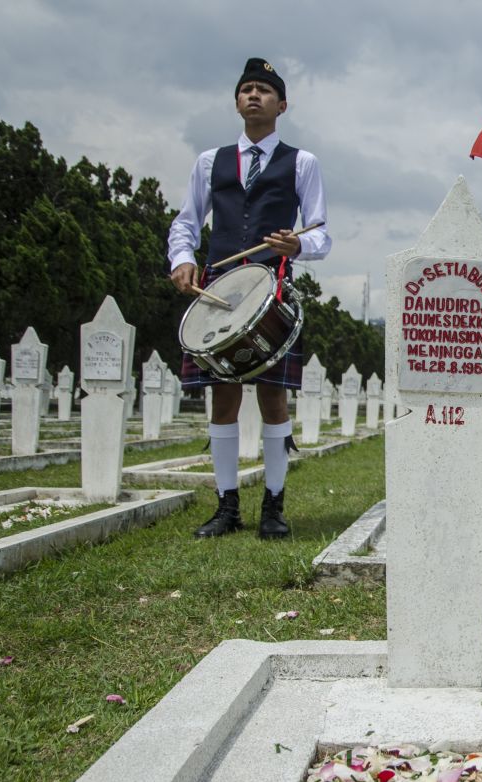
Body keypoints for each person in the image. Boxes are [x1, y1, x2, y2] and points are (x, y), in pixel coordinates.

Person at [168, 57, 331, 540]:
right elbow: (186, 222)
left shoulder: (302, 162)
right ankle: (226, 507)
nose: (253, 95)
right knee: (223, 400)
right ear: (237, 101)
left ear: (282, 105)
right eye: (246, 89)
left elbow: (321, 233)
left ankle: (273, 508)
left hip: (270, 293)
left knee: (274, 399)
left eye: (264, 90)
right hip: (217, 294)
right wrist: (181, 258)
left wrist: (297, 244)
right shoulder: (208, 162)